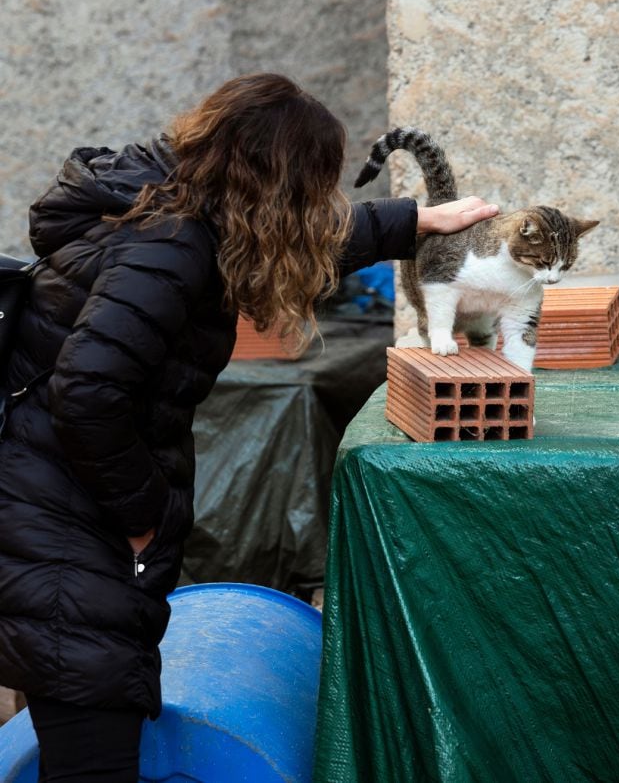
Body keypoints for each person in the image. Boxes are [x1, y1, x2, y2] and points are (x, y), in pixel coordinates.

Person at [0, 72, 498, 782]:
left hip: (45, 501)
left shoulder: (178, 203)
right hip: (66, 522)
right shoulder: (170, 245)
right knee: (92, 752)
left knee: (75, 720)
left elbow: (292, 237)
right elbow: (88, 391)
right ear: (282, 175)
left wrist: (413, 223)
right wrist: (145, 513)